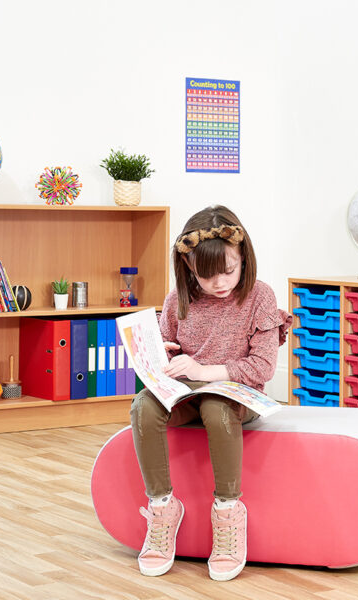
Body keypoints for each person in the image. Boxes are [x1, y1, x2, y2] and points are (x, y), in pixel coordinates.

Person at [130, 204, 292, 581]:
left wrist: (204, 372)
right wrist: (161, 354)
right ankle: (162, 506)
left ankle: (227, 510)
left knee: (217, 408)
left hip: (238, 395)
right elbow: (169, 350)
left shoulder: (259, 297)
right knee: (143, 407)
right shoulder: (178, 299)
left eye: (228, 271)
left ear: (243, 257)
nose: (219, 283)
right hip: (187, 394)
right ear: (189, 267)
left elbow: (262, 367)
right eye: (206, 275)